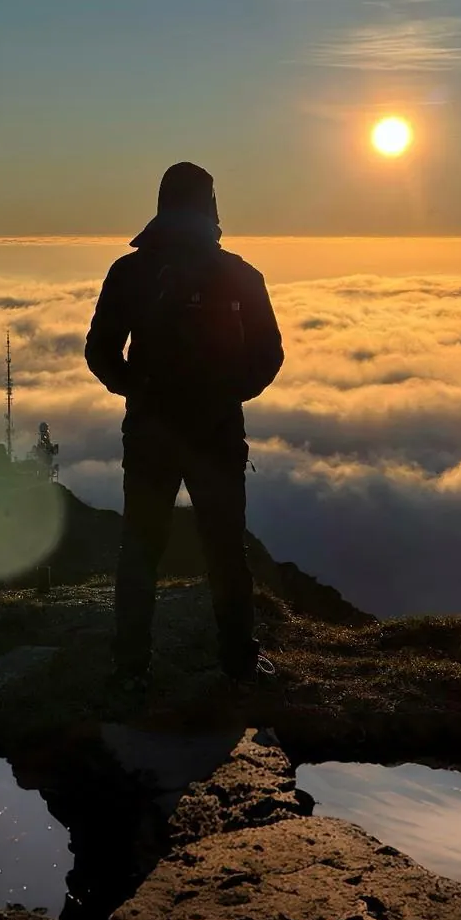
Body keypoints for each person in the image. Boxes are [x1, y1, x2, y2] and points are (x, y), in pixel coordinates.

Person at [85, 161, 284, 690]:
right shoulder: (241, 275)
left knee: (141, 548)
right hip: (217, 433)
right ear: (209, 206)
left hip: (149, 433)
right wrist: (226, 395)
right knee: (225, 548)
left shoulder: (130, 272)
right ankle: (239, 663)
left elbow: (100, 351)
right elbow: (268, 355)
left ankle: (130, 668)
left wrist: (140, 391)